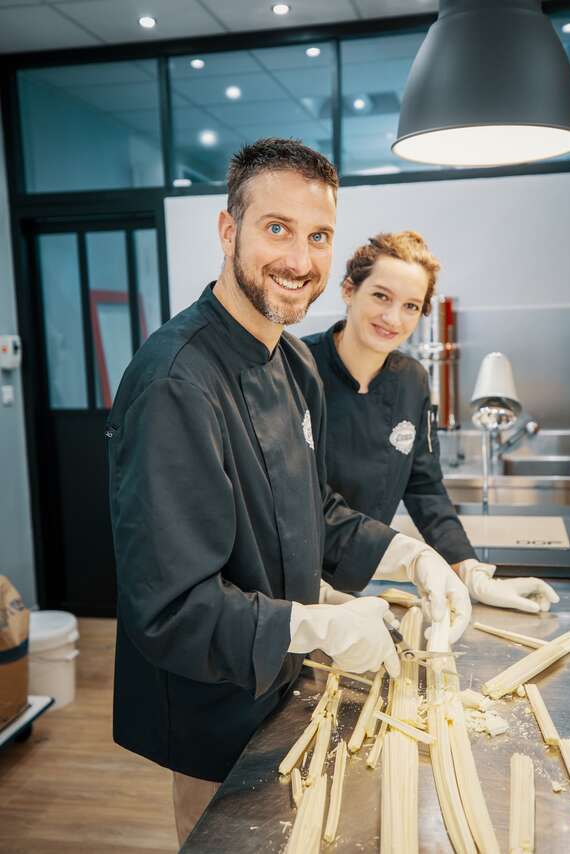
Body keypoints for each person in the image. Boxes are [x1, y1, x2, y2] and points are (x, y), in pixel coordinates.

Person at [106, 140, 471, 846]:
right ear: (227, 229)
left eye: (318, 236)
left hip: (287, 683)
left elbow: (316, 511)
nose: (299, 261)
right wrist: (320, 625)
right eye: (276, 229)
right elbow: (171, 609)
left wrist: (412, 556)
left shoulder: (294, 361)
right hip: (212, 700)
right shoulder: (176, 383)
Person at [303, 231, 559, 615]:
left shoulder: (412, 380)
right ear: (348, 290)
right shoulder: (296, 368)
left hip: (359, 577)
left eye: (410, 306)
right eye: (381, 296)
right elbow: (297, 496)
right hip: (292, 581)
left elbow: (423, 486)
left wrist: (470, 571)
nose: (393, 318)